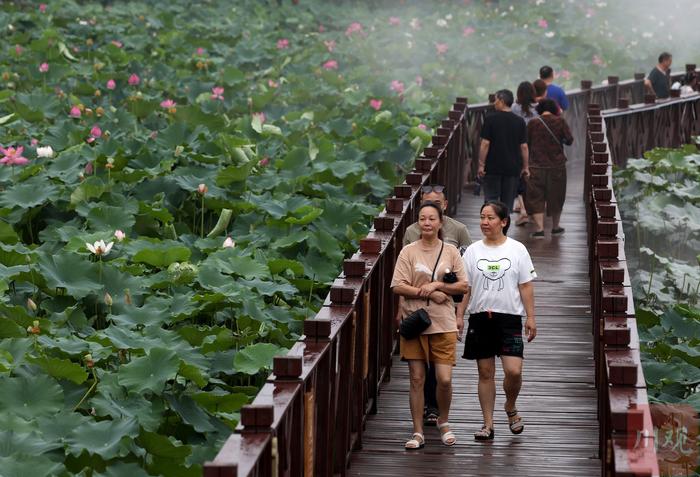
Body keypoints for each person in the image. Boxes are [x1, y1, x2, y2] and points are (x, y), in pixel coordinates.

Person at [457, 200, 537, 441]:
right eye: (482, 217)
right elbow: (466, 288)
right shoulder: (472, 251)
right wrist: (459, 316)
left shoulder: (517, 249)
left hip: (509, 318)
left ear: (503, 222)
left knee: (513, 371)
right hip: (481, 318)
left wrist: (531, 317)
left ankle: (510, 406)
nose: (485, 222)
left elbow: (525, 285)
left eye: (490, 218)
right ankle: (488, 424)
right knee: (485, 372)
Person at [391, 201, 469, 449]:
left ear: (440, 222)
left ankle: (443, 421)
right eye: (422, 219)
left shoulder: (451, 251)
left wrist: (438, 286)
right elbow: (397, 285)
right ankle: (417, 431)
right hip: (415, 322)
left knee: (444, 379)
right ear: (417, 222)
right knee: (416, 378)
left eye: (431, 219)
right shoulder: (408, 252)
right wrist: (425, 293)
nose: (427, 223)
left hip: (444, 322)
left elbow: (463, 286)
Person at [524, 99, 574, 238]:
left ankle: (539, 229)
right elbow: (570, 140)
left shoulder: (533, 123)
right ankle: (555, 227)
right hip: (556, 166)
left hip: (536, 165)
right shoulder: (560, 121)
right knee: (556, 196)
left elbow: (526, 142)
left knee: (536, 197)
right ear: (554, 108)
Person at [478, 89, 530, 215]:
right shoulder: (519, 121)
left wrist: (481, 164)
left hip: (492, 167)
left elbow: (485, 144)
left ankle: (491, 231)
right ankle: (502, 232)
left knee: (491, 201)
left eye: (495, 100)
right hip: (512, 168)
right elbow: (524, 146)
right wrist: (526, 167)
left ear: (501, 101)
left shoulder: (490, 119)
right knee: (507, 205)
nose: (494, 103)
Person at [510, 81, 540, 227]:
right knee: (532, 177)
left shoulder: (514, 108)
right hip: (534, 146)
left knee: (521, 177)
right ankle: (534, 209)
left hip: (518, 145)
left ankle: (523, 210)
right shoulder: (538, 108)